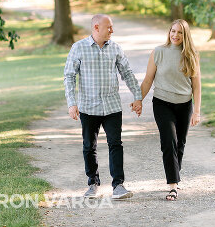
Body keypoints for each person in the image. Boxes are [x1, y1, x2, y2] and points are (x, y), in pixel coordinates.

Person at [64, 14, 143, 200]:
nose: (112, 30)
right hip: (88, 107)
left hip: (112, 106)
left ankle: (118, 185)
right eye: (109, 27)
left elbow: (127, 73)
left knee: (115, 144)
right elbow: (69, 76)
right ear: (96, 27)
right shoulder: (78, 48)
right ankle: (93, 184)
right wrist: (71, 103)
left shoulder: (115, 48)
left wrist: (138, 97)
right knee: (88, 146)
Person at [138, 19, 201, 201]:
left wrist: (196, 111)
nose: (175, 35)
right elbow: (148, 80)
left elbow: (196, 86)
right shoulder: (158, 52)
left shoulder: (192, 55)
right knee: (169, 142)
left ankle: (175, 177)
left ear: (185, 35)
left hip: (184, 105)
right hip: (162, 103)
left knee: (180, 143)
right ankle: (173, 186)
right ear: (169, 32)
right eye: (173, 31)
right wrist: (138, 100)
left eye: (180, 32)